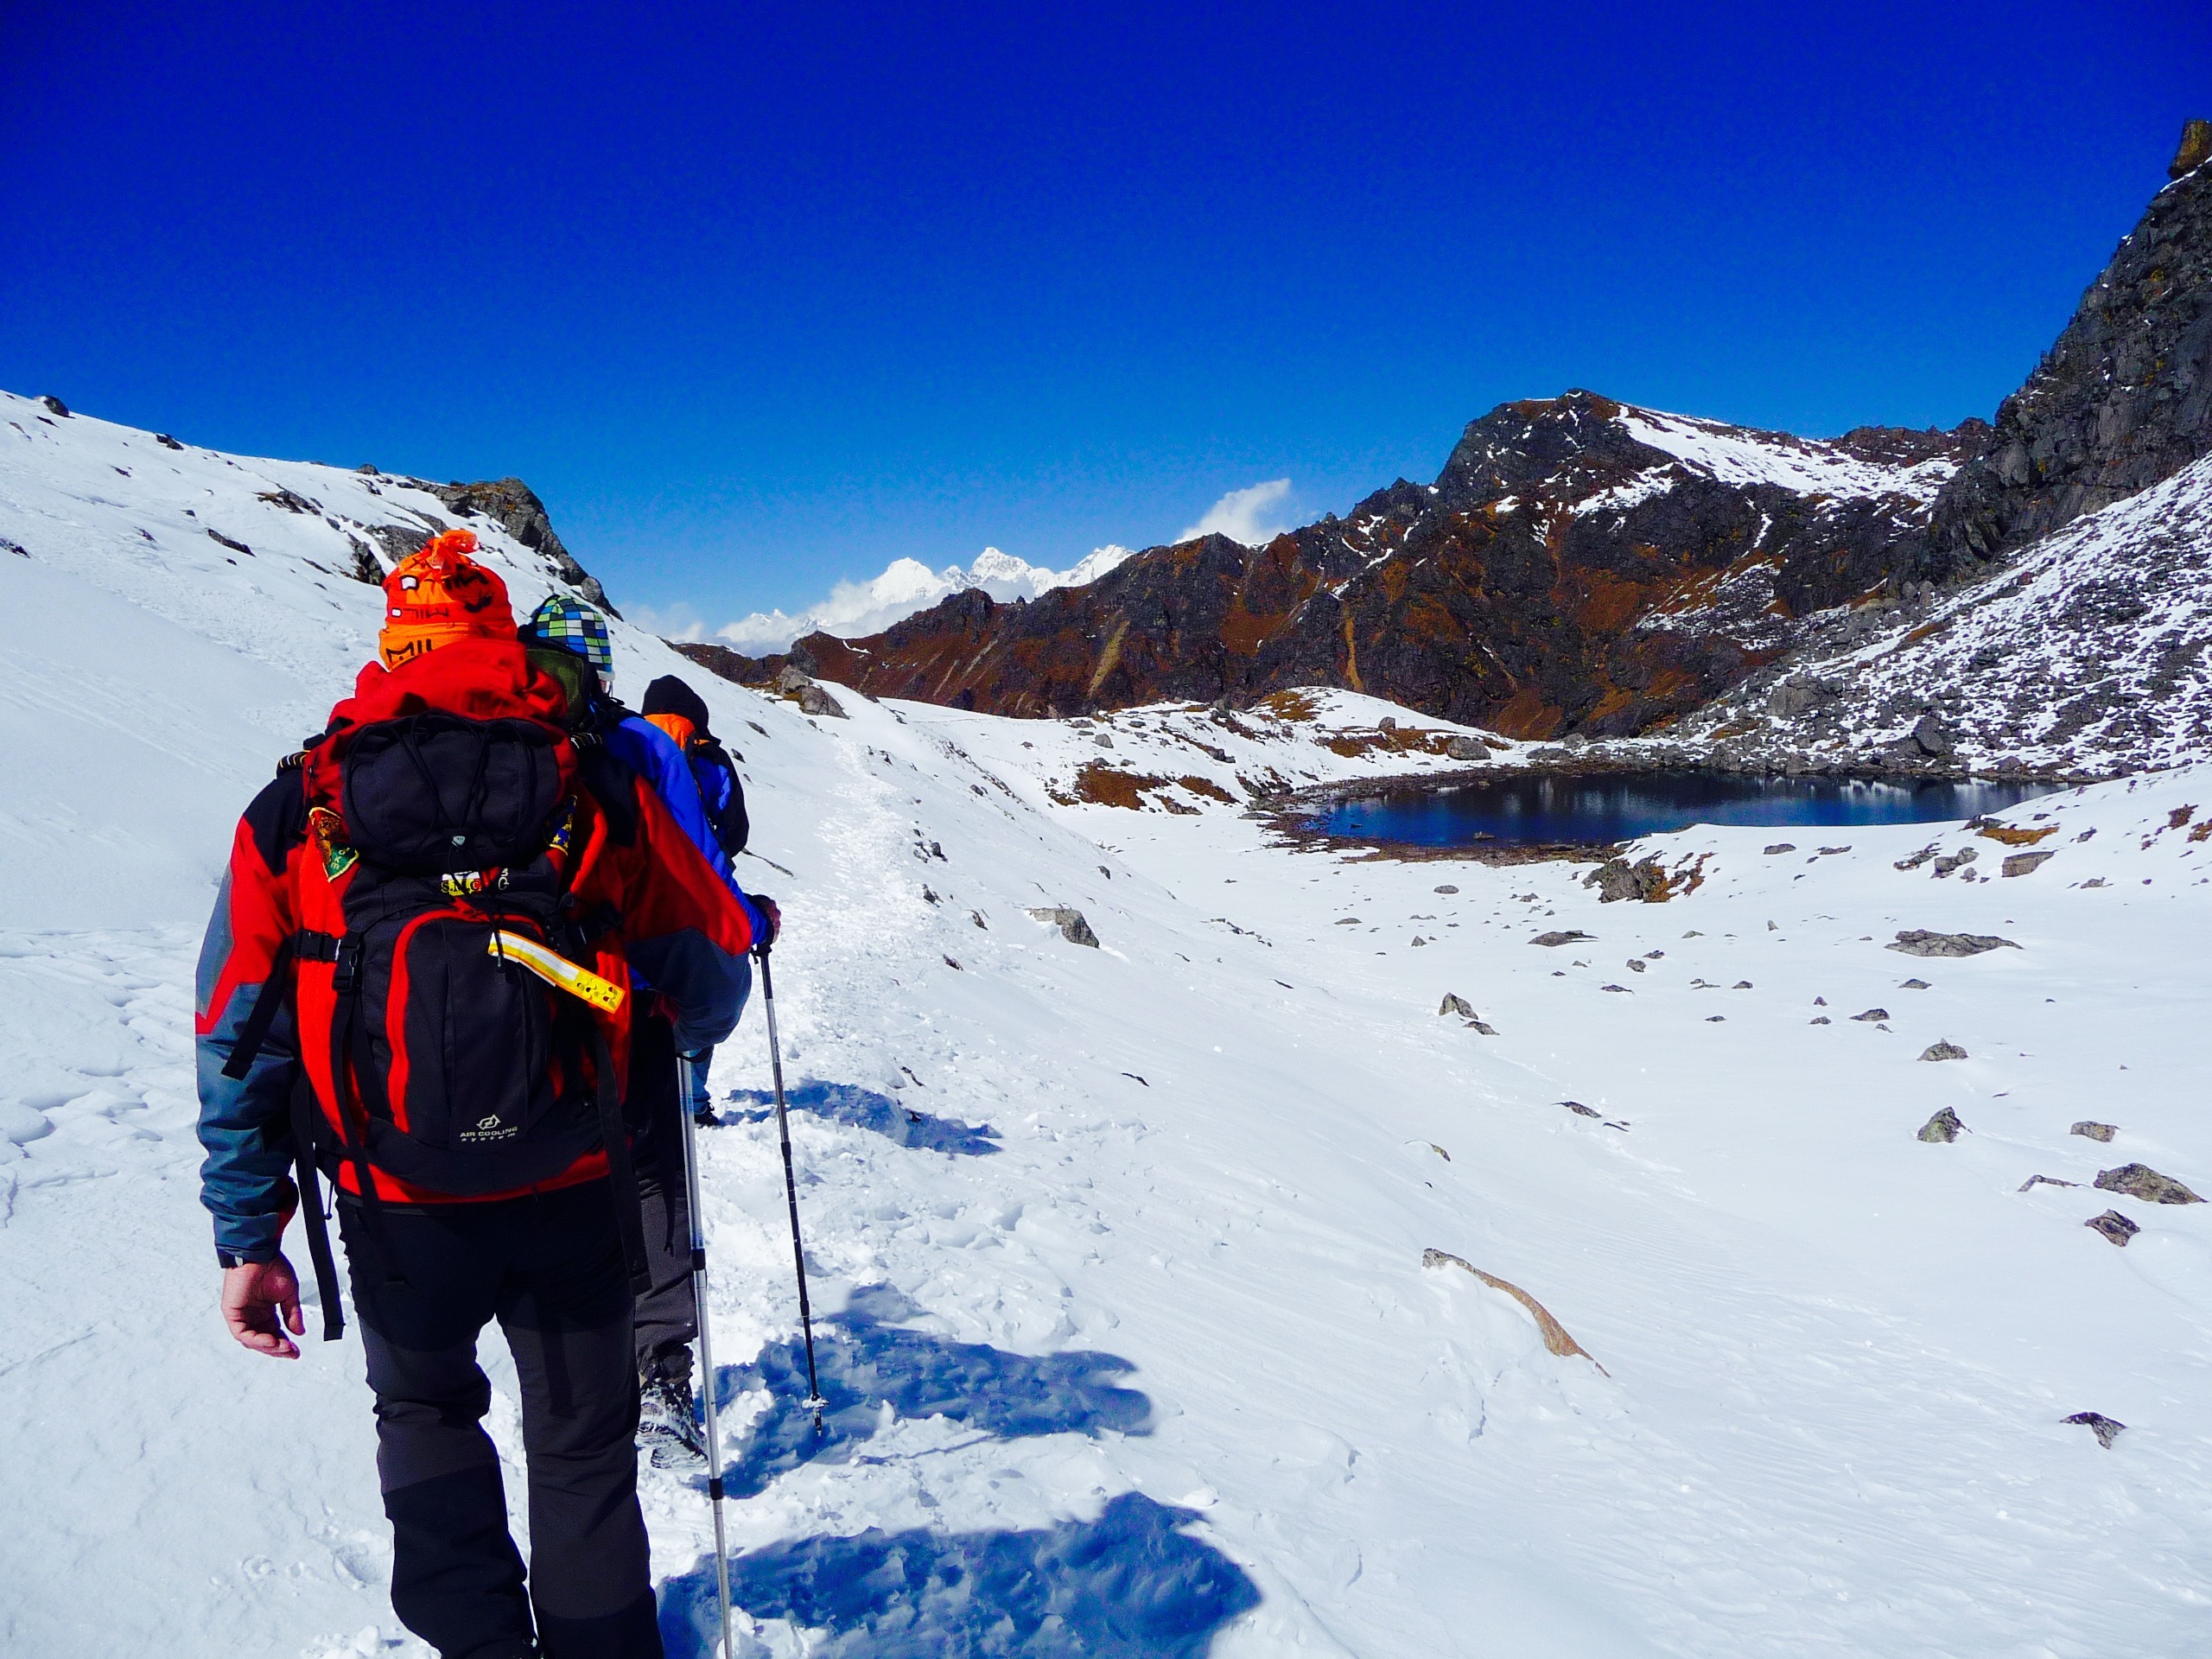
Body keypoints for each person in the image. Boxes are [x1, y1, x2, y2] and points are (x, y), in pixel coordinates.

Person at [197, 531, 764, 1659]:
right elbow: (709, 969)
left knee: (424, 1413)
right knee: (580, 1448)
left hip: (391, 1194)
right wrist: (672, 1045)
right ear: (503, 641)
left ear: (393, 647)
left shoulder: (300, 808)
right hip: (573, 1181)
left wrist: (246, 1231)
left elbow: (235, 1039)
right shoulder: (588, 785)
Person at [513, 600, 772, 1470]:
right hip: (626, 1002)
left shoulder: (463, 749)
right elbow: (700, 873)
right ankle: (660, 1379)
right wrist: (741, 941)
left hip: (499, 1022)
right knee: (656, 1179)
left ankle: (572, 1389)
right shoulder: (643, 753)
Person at [639, 672, 749, 1128]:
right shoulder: (710, 759)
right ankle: (692, 1098)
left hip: (636, 898)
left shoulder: (626, 741)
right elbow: (736, 831)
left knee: (644, 997)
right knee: (701, 996)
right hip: (702, 902)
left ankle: (643, 1094)